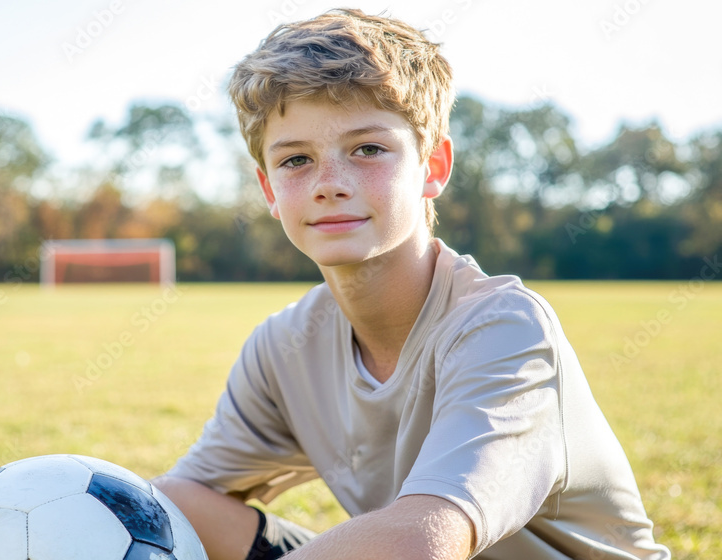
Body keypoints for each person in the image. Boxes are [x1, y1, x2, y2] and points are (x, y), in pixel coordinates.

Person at [152, 8, 670, 560]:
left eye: (368, 149)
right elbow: (180, 503)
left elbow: (423, 540)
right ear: (269, 191)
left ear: (433, 165)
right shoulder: (284, 347)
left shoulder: (504, 327)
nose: (330, 184)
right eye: (297, 159)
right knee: (174, 506)